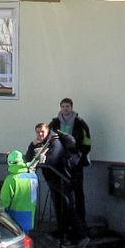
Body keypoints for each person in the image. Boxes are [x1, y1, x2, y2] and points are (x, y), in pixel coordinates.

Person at [55, 97, 92, 234]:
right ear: (60, 108)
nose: (65, 109)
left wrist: (81, 154)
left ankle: (81, 221)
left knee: (77, 192)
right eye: (63, 106)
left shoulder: (80, 123)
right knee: (63, 193)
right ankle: (65, 223)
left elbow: (87, 140)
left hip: (75, 162)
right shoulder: (54, 123)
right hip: (60, 162)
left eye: (68, 106)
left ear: (72, 108)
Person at [0, 145, 37, 233]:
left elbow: (4, 202)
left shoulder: (11, 179)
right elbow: (33, 198)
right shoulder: (33, 176)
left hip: (14, 217)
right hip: (30, 216)